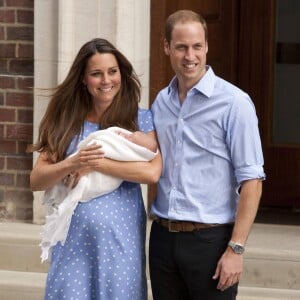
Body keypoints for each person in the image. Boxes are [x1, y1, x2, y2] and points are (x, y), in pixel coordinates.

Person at [29, 38, 162, 300]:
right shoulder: (67, 122)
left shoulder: (141, 119)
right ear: (83, 79)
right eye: (96, 74)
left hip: (120, 241)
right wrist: (72, 162)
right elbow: (36, 180)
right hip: (72, 243)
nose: (106, 80)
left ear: (121, 74)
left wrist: (96, 162)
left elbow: (151, 173)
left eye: (112, 72)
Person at [149, 10, 265, 300]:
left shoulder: (234, 103)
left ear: (206, 47)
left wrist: (235, 249)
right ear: (166, 47)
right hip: (163, 238)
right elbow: (145, 154)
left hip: (210, 241)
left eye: (197, 46)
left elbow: (252, 180)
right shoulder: (161, 102)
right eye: (181, 47)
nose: (190, 55)